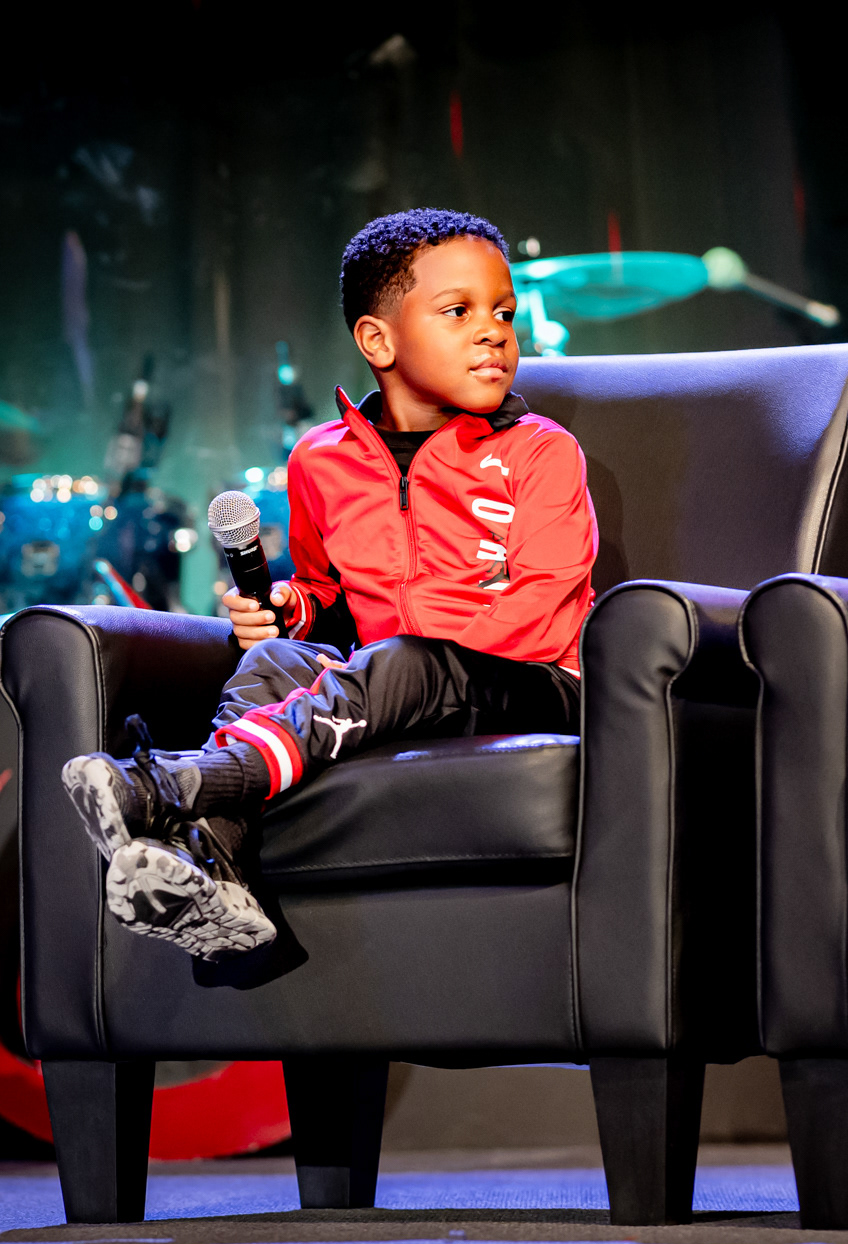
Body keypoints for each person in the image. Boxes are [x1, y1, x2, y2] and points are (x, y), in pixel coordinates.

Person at [61, 208, 597, 962]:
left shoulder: (541, 452)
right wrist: (295, 609)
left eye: (503, 314)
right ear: (378, 341)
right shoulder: (320, 459)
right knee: (268, 662)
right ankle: (215, 871)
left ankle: (173, 787)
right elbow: (329, 592)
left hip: (533, 683)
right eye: (460, 311)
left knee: (402, 662)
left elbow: (541, 616)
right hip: (391, 684)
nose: (494, 332)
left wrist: (395, 664)